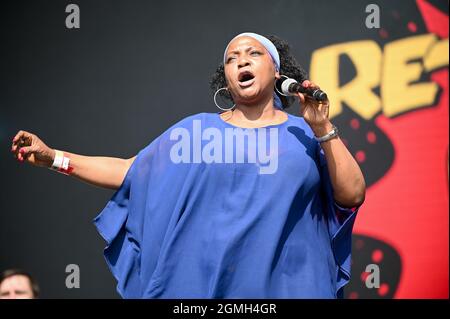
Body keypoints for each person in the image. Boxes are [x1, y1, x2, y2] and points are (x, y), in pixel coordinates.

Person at [10, 32, 365, 298]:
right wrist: (52, 157)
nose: (241, 61)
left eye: (253, 54)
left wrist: (322, 128)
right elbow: (129, 172)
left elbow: (351, 194)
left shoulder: (304, 133)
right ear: (225, 77)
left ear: (277, 70)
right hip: (208, 292)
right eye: (231, 58)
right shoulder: (194, 132)